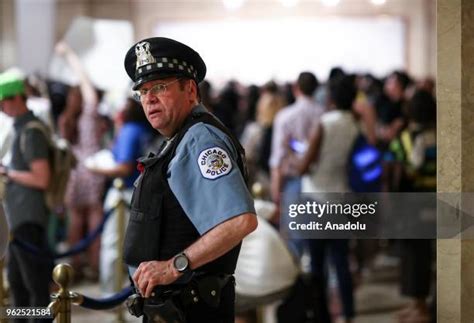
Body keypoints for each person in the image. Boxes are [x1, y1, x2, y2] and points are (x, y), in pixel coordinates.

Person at [122, 37, 257, 322]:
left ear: (191, 90)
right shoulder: (180, 139)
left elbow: (240, 220)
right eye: (143, 91)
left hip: (191, 308)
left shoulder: (200, 140)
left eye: (159, 87)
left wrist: (174, 266)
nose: (149, 98)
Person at [0, 70, 53, 322]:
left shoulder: (30, 132)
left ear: (17, 99)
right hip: (17, 219)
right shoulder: (21, 128)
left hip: (28, 218)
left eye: (4, 101)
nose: (2, 107)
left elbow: (41, 178)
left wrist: (8, 173)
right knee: (18, 286)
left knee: (35, 286)